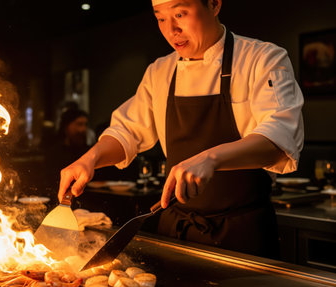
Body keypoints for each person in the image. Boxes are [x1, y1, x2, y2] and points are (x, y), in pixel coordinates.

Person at [57, 0, 304, 258]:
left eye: (180, 13)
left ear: (214, 4)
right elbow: (127, 131)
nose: (171, 29)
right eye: (161, 18)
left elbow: (278, 139)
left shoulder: (262, 59)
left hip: (242, 237)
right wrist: (91, 158)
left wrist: (211, 158)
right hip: (176, 232)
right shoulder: (160, 71)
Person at [44, 107, 91, 196]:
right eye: (79, 124)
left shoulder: (89, 152)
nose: (83, 129)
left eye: (85, 124)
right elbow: (49, 183)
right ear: (66, 126)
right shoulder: (54, 153)